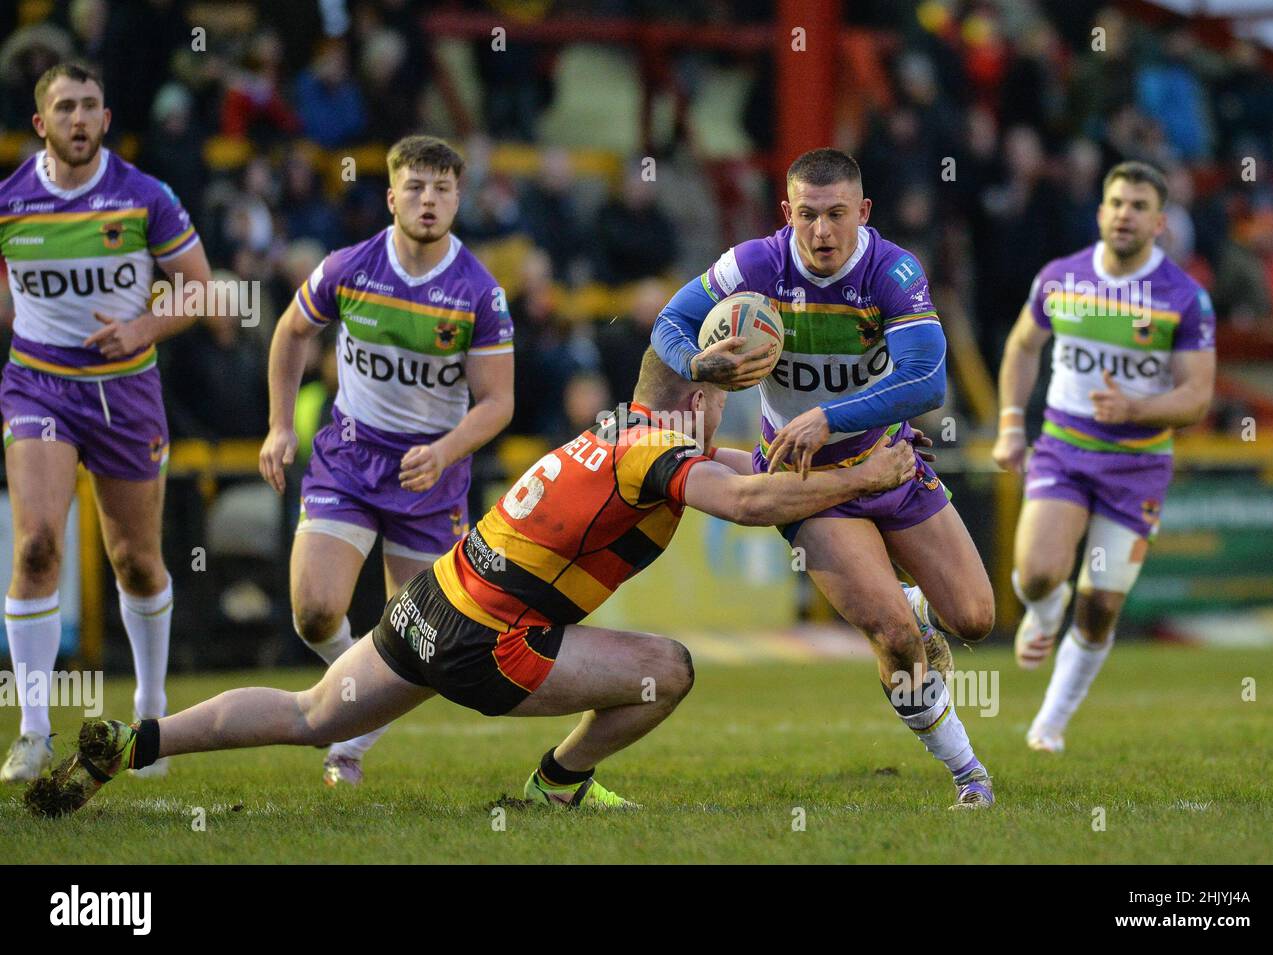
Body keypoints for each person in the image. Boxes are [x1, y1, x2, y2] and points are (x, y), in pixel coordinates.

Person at [25, 349, 923, 817]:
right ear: (696, 400)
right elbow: (754, 500)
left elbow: (754, 466)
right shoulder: (661, 453)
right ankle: (558, 783)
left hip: (432, 604)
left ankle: (135, 741)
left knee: (311, 716)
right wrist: (872, 480)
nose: (721, 412)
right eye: (720, 396)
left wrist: (831, 460)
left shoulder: (623, 432)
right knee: (672, 667)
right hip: (486, 642)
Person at [652, 148, 996, 809]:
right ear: (787, 213)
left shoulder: (894, 270)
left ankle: (920, 605)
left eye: (837, 215)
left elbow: (927, 379)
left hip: (892, 463)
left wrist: (827, 415)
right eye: (807, 215)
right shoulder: (754, 264)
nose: (821, 233)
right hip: (807, 486)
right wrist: (697, 361)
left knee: (976, 619)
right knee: (893, 635)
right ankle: (968, 772)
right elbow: (670, 321)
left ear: (862, 213)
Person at [257, 136, 515, 787]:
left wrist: (446, 449)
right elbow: (290, 331)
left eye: (443, 189)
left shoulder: (479, 293)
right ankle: (353, 709)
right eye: (417, 187)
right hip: (349, 457)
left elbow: (497, 403)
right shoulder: (349, 267)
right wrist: (280, 425)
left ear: (459, 198)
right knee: (315, 609)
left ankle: (347, 737)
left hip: (430, 473)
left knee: (426, 646)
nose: (429, 200)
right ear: (392, 194)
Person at [0, 63, 211, 782]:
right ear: (41, 124)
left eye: (91, 105)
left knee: (136, 560)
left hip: (125, 393)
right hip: (40, 388)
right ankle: (33, 732)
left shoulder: (145, 196)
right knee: (33, 544)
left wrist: (143, 328)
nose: (80, 118)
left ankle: (149, 710)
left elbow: (200, 293)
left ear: (106, 117)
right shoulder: (10, 203)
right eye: (66, 107)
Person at [991, 160, 1216, 752]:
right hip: (1064, 451)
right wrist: (1012, 425)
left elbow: (1196, 396)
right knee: (1039, 573)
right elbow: (1021, 347)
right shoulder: (1061, 280)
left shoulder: (1184, 299)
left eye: (1139, 206)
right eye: (1116, 203)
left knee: (1099, 608)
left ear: (1160, 222)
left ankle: (1050, 723)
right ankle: (1042, 613)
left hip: (1137, 466)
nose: (1125, 214)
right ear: (1100, 212)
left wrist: (1136, 411)